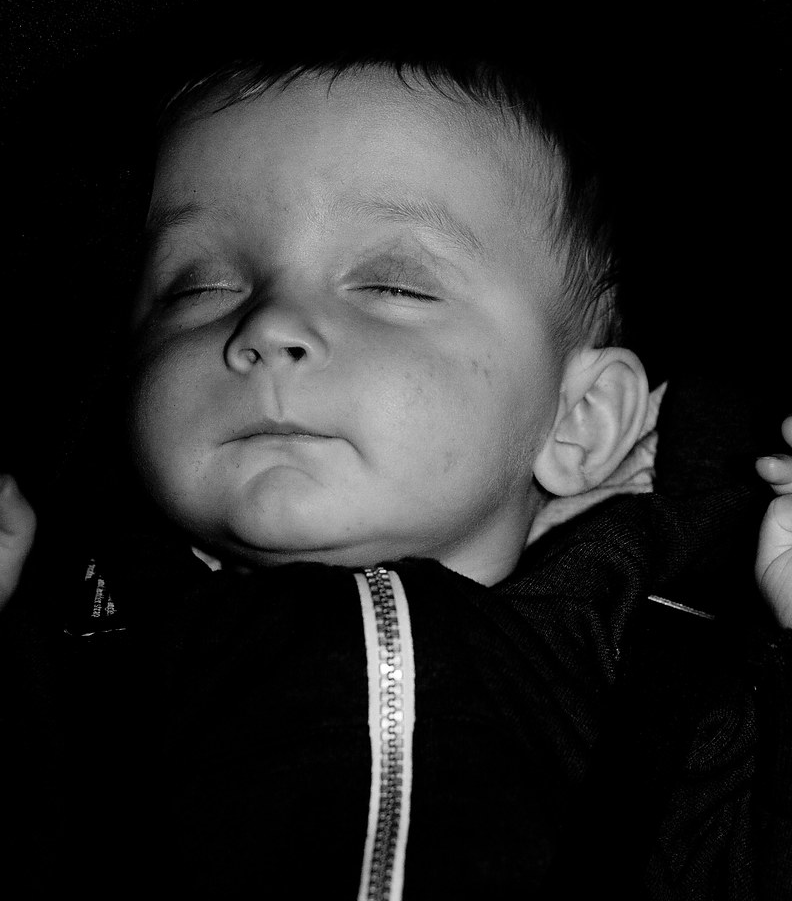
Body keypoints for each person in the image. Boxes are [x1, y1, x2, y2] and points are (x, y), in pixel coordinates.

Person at [0, 46, 789, 899]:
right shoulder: (62, 644)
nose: (269, 326)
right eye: (200, 286)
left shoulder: (667, 684)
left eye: (391, 285)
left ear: (579, 419)